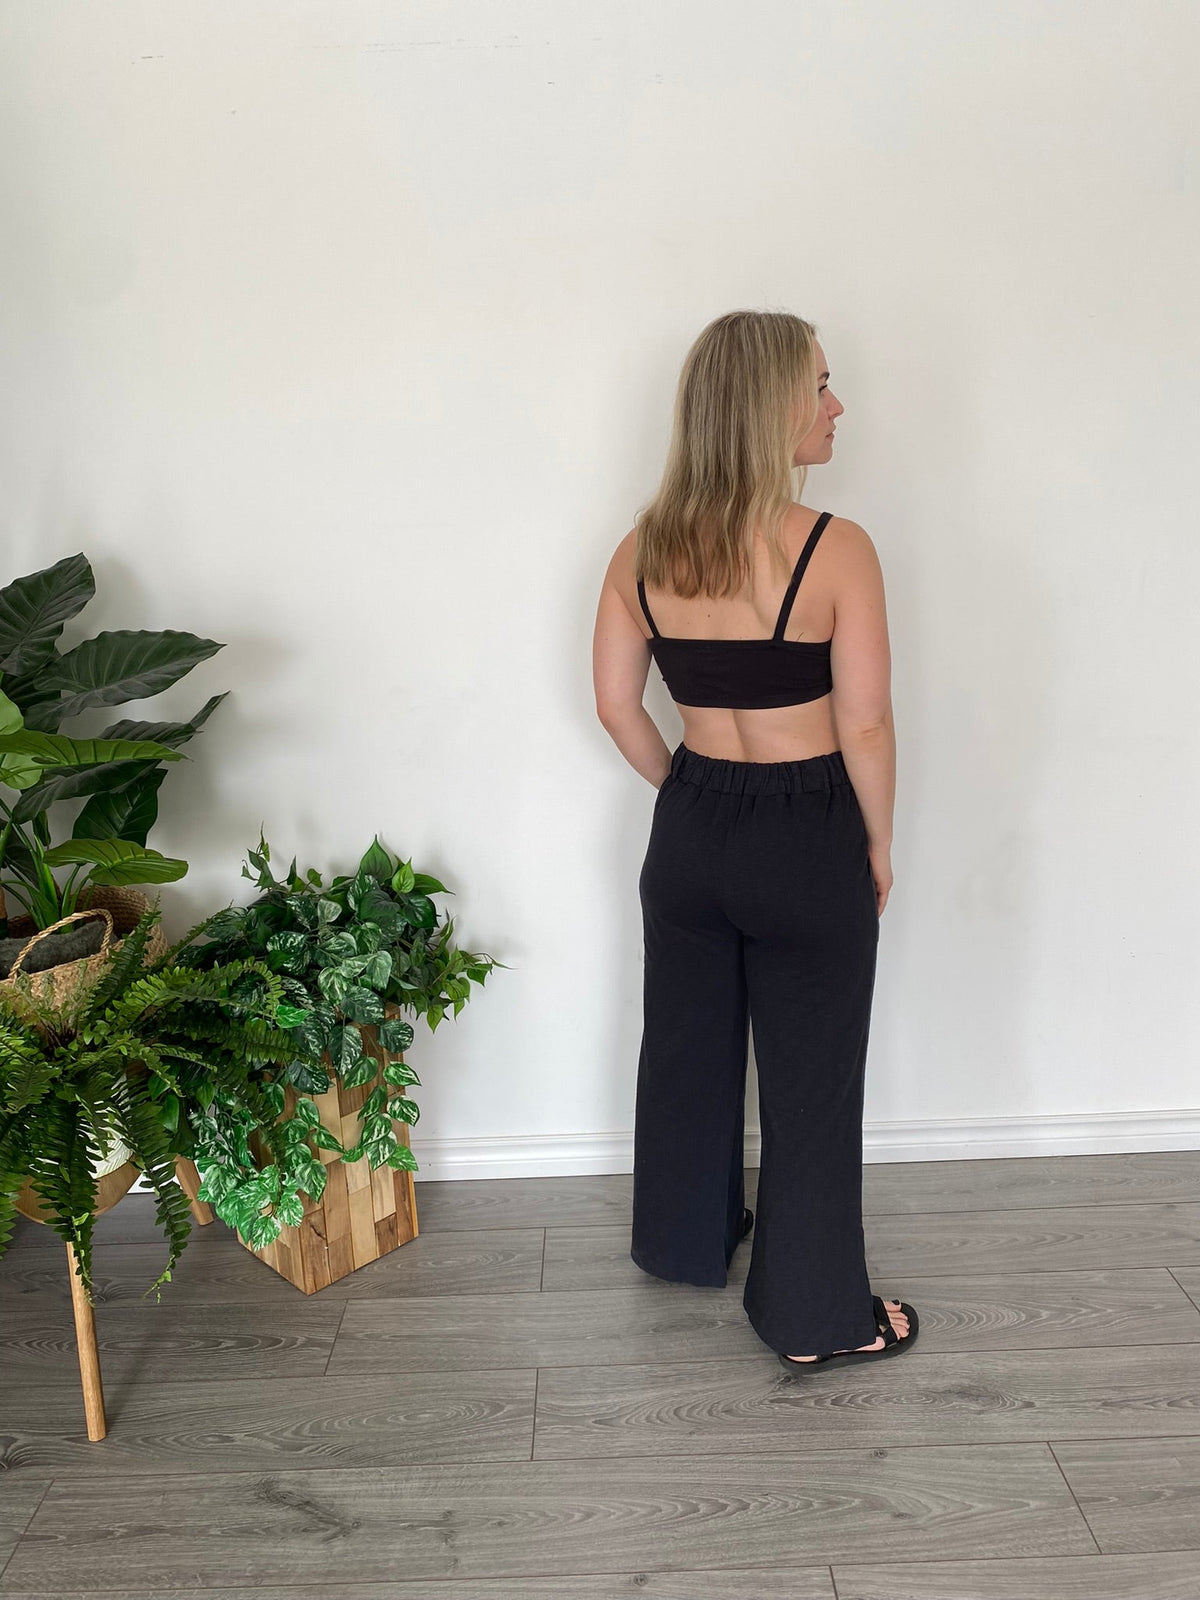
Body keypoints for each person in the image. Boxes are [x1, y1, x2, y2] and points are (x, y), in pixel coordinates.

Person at [592, 309, 919, 1371]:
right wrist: (876, 843)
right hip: (806, 828)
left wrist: (687, 791)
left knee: (686, 1048)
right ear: (771, 405)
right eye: (820, 385)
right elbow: (865, 722)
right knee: (811, 1077)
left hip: (690, 827)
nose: (837, 405)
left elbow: (616, 707)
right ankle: (818, 1318)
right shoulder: (835, 549)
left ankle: (683, 1239)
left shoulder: (642, 550)